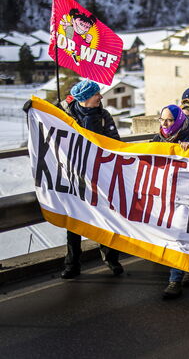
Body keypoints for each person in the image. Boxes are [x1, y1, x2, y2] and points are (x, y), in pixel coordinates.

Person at [61, 80, 123, 279]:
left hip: (99, 177)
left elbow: (115, 142)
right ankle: (72, 264)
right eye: (97, 94)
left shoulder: (103, 116)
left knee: (105, 218)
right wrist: (32, 109)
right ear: (85, 98)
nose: (101, 97)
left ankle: (111, 259)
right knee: (74, 222)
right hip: (75, 176)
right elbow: (44, 122)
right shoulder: (64, 115)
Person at [156, 104, 189, 299]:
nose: (165, 124)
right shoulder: (157, 139)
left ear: (178, 120)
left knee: (181, 236)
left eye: (169, 120)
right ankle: (182, 274)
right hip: (167, 195)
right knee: (175, 237)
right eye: (162, 120)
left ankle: (178, 278)